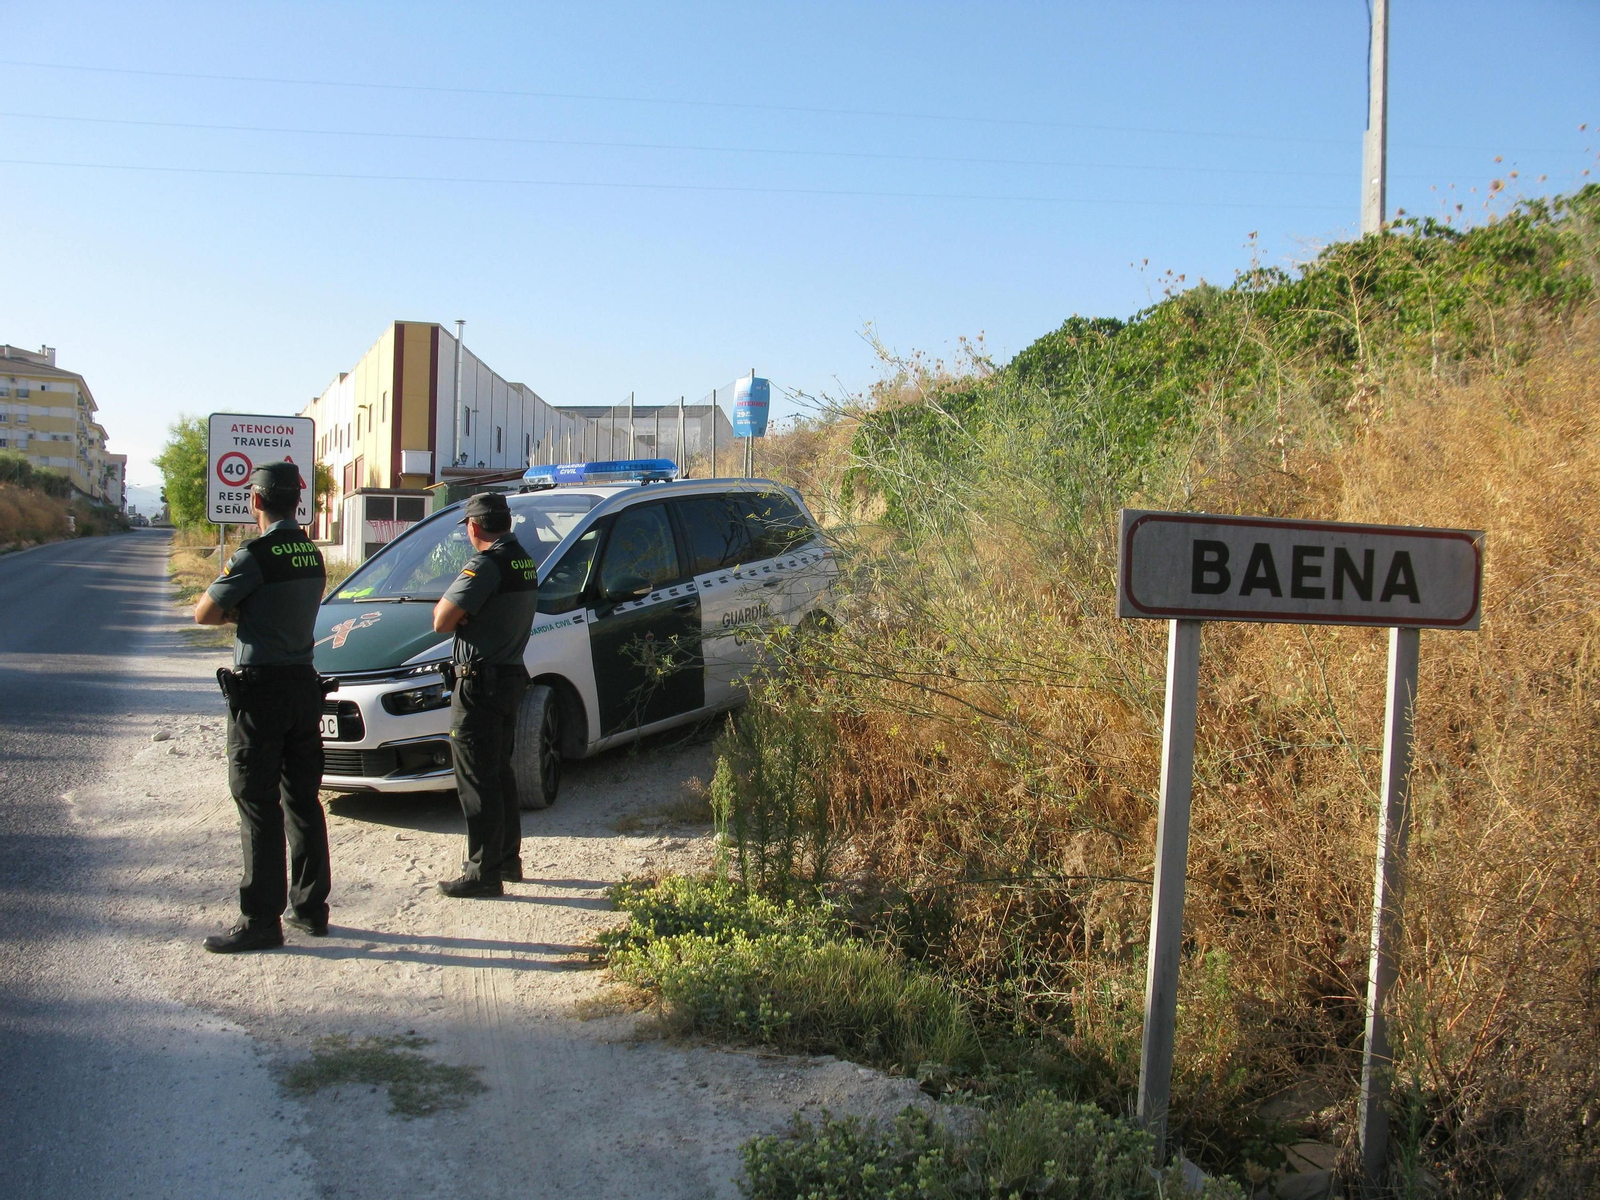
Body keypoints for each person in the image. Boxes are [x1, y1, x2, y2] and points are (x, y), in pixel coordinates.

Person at [194, 462, 331, 952]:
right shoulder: (312, 554)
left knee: (256, 801)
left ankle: (261, 921)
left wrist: (241, 612)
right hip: (303, 686)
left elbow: (205, 612)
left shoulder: (254, 555)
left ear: (255, 500)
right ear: (297, 501)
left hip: (262, 692)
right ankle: (311, 910)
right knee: (303, 799)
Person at [431, 491, 538, 897]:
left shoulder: (485, 565)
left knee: (476, 779)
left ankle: (482, 872)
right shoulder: (523, 560)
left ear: (474, 526)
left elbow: (441, 620)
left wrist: (462, 611)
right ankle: (507, 859)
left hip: (479, 683)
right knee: (498, 773)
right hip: (508, 677)